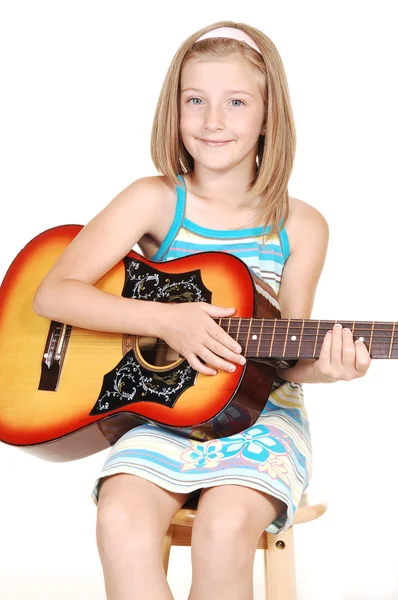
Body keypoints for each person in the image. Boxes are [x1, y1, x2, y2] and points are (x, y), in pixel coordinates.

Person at [33, 20, 371, 600]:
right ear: (175, 109)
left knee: (223, 529)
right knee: (119, 517)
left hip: (262, 422)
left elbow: (286, 354)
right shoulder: (154, 199)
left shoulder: (301, 225)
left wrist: (330, 367)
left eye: (236, 102)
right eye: (196, 101)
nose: (214, 121)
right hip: (160, 418)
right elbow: (53, 292)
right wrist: (166, 320)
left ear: (269, 117)